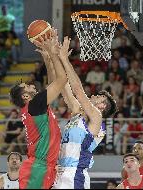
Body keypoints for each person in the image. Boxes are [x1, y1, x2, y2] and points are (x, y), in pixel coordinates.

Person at [35, 36, 117, 189]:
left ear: (102, 107)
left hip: (75, 174)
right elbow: (60, 84)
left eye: (99, 97)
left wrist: (64, 58)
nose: (94, 95)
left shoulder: (97, 118)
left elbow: (78, 91)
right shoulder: (77, 112)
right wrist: (50, 57)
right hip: (60, 171)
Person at [9, 29, 67, 189]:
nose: (31, 85)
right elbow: (62, 80)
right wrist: (54, 53)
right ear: (25, 97)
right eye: (26, 86)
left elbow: (52, 83)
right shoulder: (34, 105)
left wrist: (48, 59)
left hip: (43, 167)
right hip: (38, 168)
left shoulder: (35, 107)